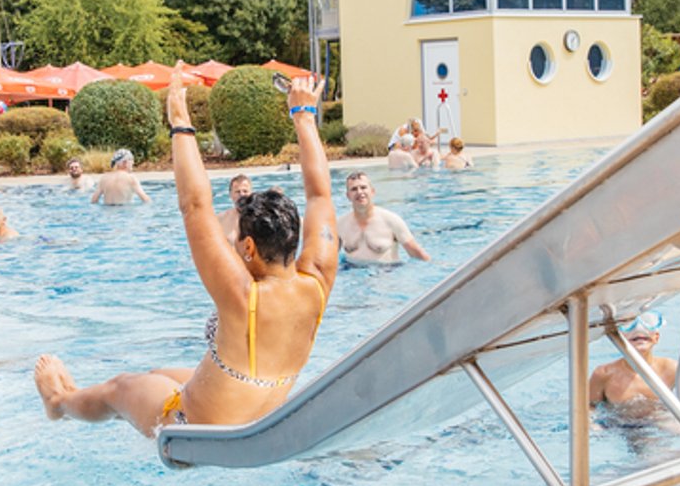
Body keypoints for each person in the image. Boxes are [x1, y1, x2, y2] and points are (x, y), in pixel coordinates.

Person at [35, 67, 338, 437]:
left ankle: (58, 404)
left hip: (193, 428)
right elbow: (320, 194)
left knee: (121, 387)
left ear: (249, 247)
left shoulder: (244, 296)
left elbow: (195, 206)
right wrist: (303, 115)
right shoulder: (319, 278)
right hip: (261, 414)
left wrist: (180, 123)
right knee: (157, 376)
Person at [337, 171, 430, 263]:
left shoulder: (392, 221)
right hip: (352, 273)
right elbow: (328, 258)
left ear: (372, 192)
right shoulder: (340, 224)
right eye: (354, 189)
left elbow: (418, 255)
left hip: (386, 274)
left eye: (363, 187)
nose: (359, 192)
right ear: (348, 196)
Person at [217, 174, 254, 239]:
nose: (242, 194)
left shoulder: (261, 218)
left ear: (251, 193)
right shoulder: (220, 219)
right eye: (237, 192)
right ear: (231, 194)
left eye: (245, 191)